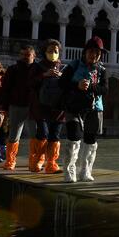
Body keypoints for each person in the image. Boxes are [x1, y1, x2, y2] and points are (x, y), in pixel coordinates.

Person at [60, 37, 108, 182]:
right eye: (92, 52)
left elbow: (105, 90)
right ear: (85, 52)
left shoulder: (101, 70)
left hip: (94, 108)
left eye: (98, 53)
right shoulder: (73, 65)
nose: (94, 55)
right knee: (74, 136)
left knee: (91, 140)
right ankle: (69, 171)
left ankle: (85, 171)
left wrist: (91, 87)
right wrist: (77, 85)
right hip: (74, 107)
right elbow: (62, 82)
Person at [29, 40, 65, 174]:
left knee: (55, 136)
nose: (53, 53)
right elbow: (30, 83)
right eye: (50, 51)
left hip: (58, 109)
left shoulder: (63, 68)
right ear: (44, 52)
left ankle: (51, 164)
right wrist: (44, 75)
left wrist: (62, 77)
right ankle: (37, 161)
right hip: (41, 107)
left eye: (56, 51)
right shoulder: (37, 67)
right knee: (43, 133)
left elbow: (69, 86)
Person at [1, 45, 37, 170]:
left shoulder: (38, 69)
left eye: (27, 55)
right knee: (14, 135)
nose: (24, 57)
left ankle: (34, 162)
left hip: (33, 106)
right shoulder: (12, 69)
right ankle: (10, 161)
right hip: (16, 105)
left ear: (34, 56)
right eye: (22, 55)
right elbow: (6, 89)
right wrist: (5, 107)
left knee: (35, 135)